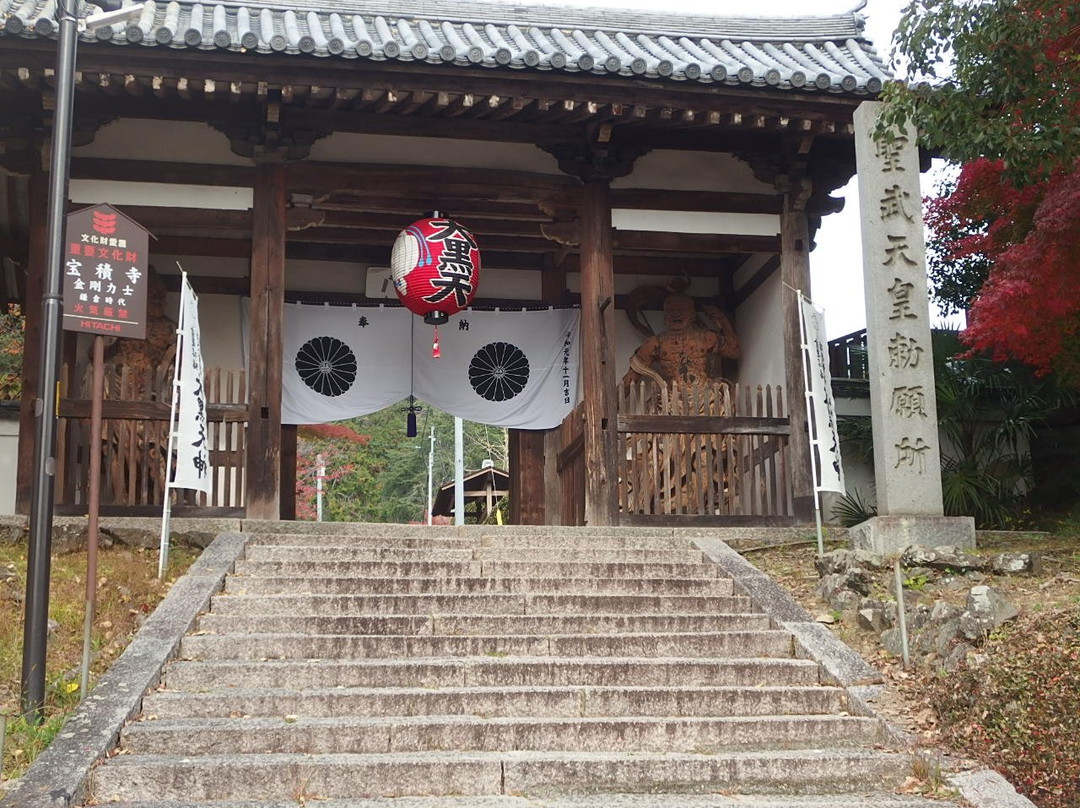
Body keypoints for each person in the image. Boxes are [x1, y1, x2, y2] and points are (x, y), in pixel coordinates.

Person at [622, 293, 739, 387]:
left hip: (704, 395)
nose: (676, 314)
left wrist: (723, 321)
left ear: (693, 315)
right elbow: (631, 378)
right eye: (671, 310)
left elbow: (734, 352)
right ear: (664, 317)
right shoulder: (655, 343)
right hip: (670, 399)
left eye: (681, 310)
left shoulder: (706, 337)